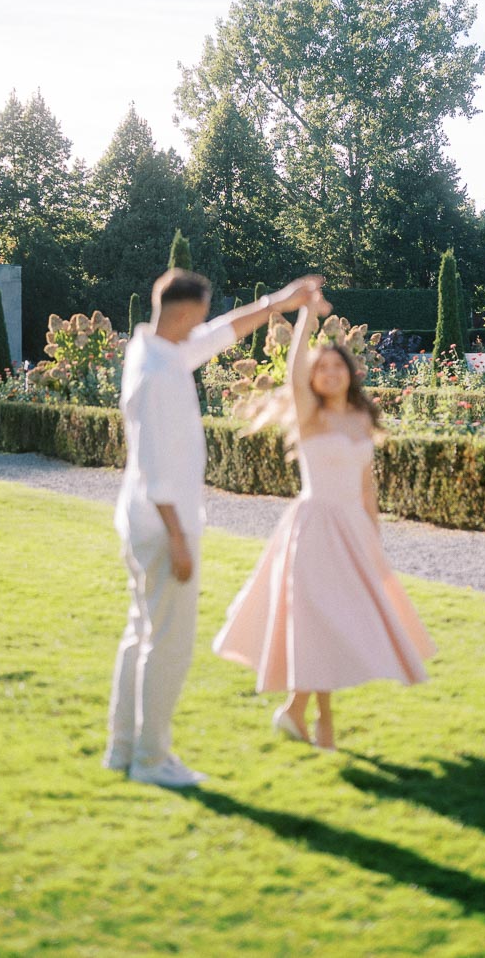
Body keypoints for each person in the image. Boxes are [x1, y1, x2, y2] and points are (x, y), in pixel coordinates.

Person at [105, 268, 323, 788]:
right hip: (163, 524)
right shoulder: (159, 372)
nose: (202, 325)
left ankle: (123, 749)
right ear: (182, 313)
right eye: (197, 316)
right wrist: (179, 541)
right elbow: (157, 468)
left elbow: (225, 330)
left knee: (140, 634)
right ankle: (152, 760)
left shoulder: (154, 349)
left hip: (140, 517)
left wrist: (280, 301)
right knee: (169, 645)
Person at [213, 292, 435, 751]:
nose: (329, 373)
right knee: (318, 622)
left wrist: (374, 538)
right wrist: (306, 316)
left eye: (337, 366)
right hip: (313, 528)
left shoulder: (361, 417)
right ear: (313, 377)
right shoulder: (309, 414)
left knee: (331, 624)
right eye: (321, 368)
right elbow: (294, 369)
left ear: (349, 372)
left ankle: (294, 711)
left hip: (352, 530)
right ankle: (323, 723)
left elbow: (367, 485)